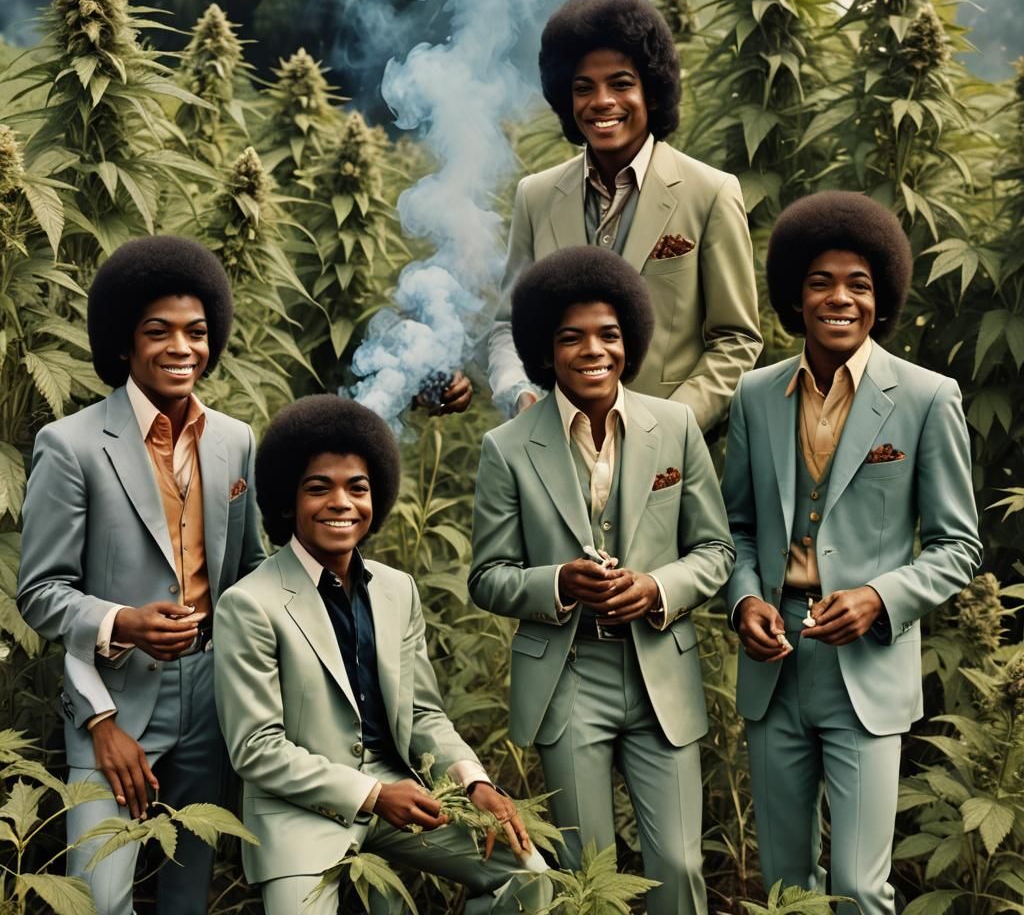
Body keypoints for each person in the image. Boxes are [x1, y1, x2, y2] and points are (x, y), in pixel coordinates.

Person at [721, 191, 982, 915]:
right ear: (794, 296)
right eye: (820, 282)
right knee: (784, 888)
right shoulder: (754, 395)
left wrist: (879, 597)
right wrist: (744, 600)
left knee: (862, 888)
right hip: (773, 668)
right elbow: (735, 528)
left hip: (865, 670)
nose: (839, 298)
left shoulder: (927, 398)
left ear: (882, 296)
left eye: (858, 284)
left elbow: (958, 545)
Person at [470, 246, 734, 915]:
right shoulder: (507, 447)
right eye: (572, 337)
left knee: (678, 865)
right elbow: (488, 578)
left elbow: (714, 550)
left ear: (631, 341)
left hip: (660, 675)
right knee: (586, 874)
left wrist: (658, 589)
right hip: (567, 677)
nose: (594, 350)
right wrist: (559, 582)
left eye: (609, 335)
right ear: (545, 349)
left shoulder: (673, 427)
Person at [213, 395, 551, 914]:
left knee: (531, 877)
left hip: (403, 790)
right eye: (318, 487)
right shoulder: (248, 604)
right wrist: (371, 794)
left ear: (378, 497)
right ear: (287, 501)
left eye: (358, 488)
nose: (341, 502)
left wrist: (473, 779)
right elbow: (257, 748)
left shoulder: (398, 589)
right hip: (300, 813)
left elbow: (421, 713)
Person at [17, 236, 264, 915]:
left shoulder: (234, 440)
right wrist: (121, 629)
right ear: (124, 342)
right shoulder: (70, 446)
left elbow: (249, 573)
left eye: (197, 331)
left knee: (190, 891)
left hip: (211, 697)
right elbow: (40, 593)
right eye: (159, 331)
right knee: (100, 899)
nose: (181, 347)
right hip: (112, 703)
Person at [486, 0, 761, 430]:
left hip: (669, 469)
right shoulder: (535, 196)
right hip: (558, 455)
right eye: (583, 88)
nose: (601, 102)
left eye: (620, 83)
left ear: (651, 91)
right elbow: (507, 328)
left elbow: (736, 340)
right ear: (565, 98)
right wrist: (521, 396)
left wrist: (669, 427)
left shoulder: (710, 192)